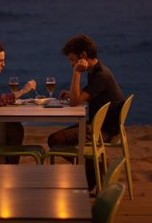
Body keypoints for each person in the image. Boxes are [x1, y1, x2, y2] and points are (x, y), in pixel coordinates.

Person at [49, 34, 125, 191]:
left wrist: (76, 73)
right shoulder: (97, 70)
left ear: (83, 56)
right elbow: (80, 97)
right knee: (56, 139)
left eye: (72, 60)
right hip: (102, 125)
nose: (71, 65)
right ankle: (92, 172)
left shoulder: (100, 76)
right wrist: (71, 94)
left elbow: (75, 102)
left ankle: (96, 167)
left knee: (55, 140)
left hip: (103, 131)